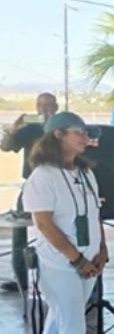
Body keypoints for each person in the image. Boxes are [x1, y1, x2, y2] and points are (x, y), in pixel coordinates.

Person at [21, 112, 107, 334]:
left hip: (89, 262)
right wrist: (77, 259)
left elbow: (95, 216)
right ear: (57, 135)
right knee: (73, 329)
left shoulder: (85, 173)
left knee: (61, 323)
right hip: (61, 265)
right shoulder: (42, 177)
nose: (85, 138)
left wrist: (102, 250)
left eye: (86, 133)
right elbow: (44, 224)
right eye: (78, 132)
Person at [1, 92, 58, 293]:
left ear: (56, 107)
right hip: (32, 184)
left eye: (49, 105)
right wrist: (14, 128)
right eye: (40, 105)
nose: (44, 109)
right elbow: (6, 147)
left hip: (59, 185)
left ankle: (57, 277)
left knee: (58, 229)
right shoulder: (30, 128)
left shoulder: (61, 127)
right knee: (19, 233)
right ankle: (20, 281)